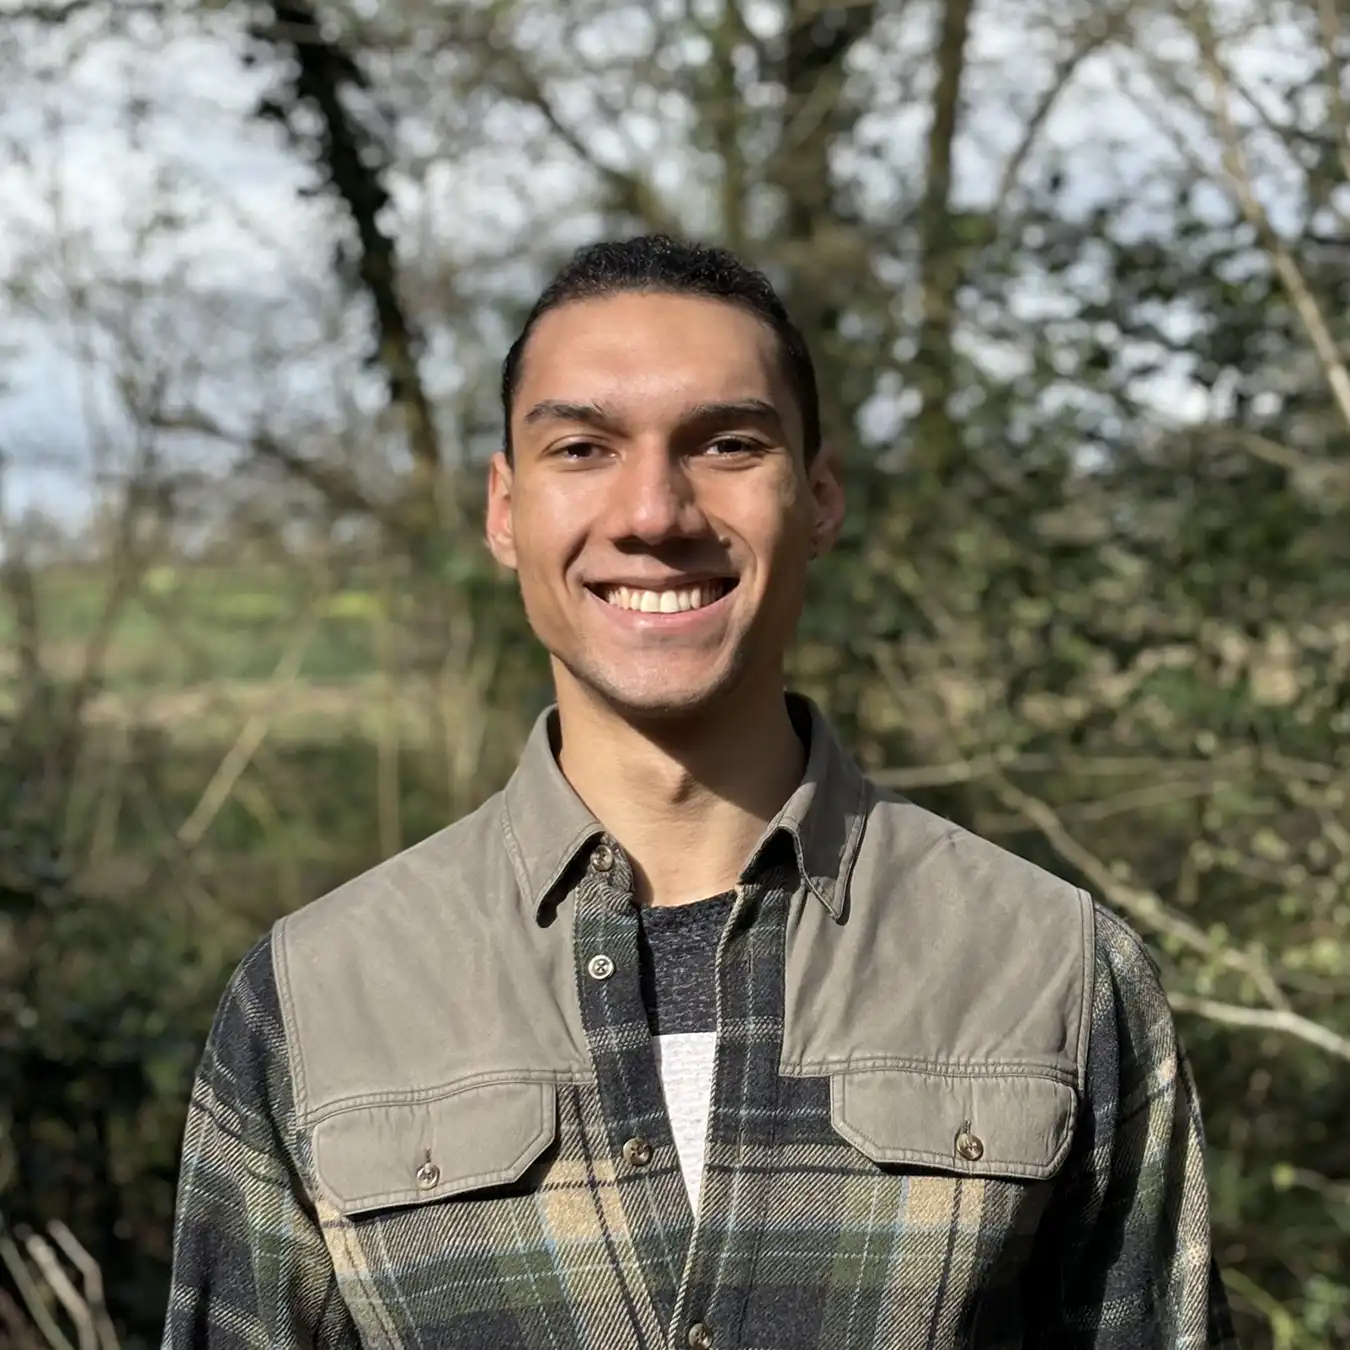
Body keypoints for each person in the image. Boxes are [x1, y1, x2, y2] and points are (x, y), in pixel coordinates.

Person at [162, 234, 1238, 1349]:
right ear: (504, 508)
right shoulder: (316, 998)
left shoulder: (1052, 969)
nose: (654, 512)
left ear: (818, 498)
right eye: (581, 447)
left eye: (726, 443)